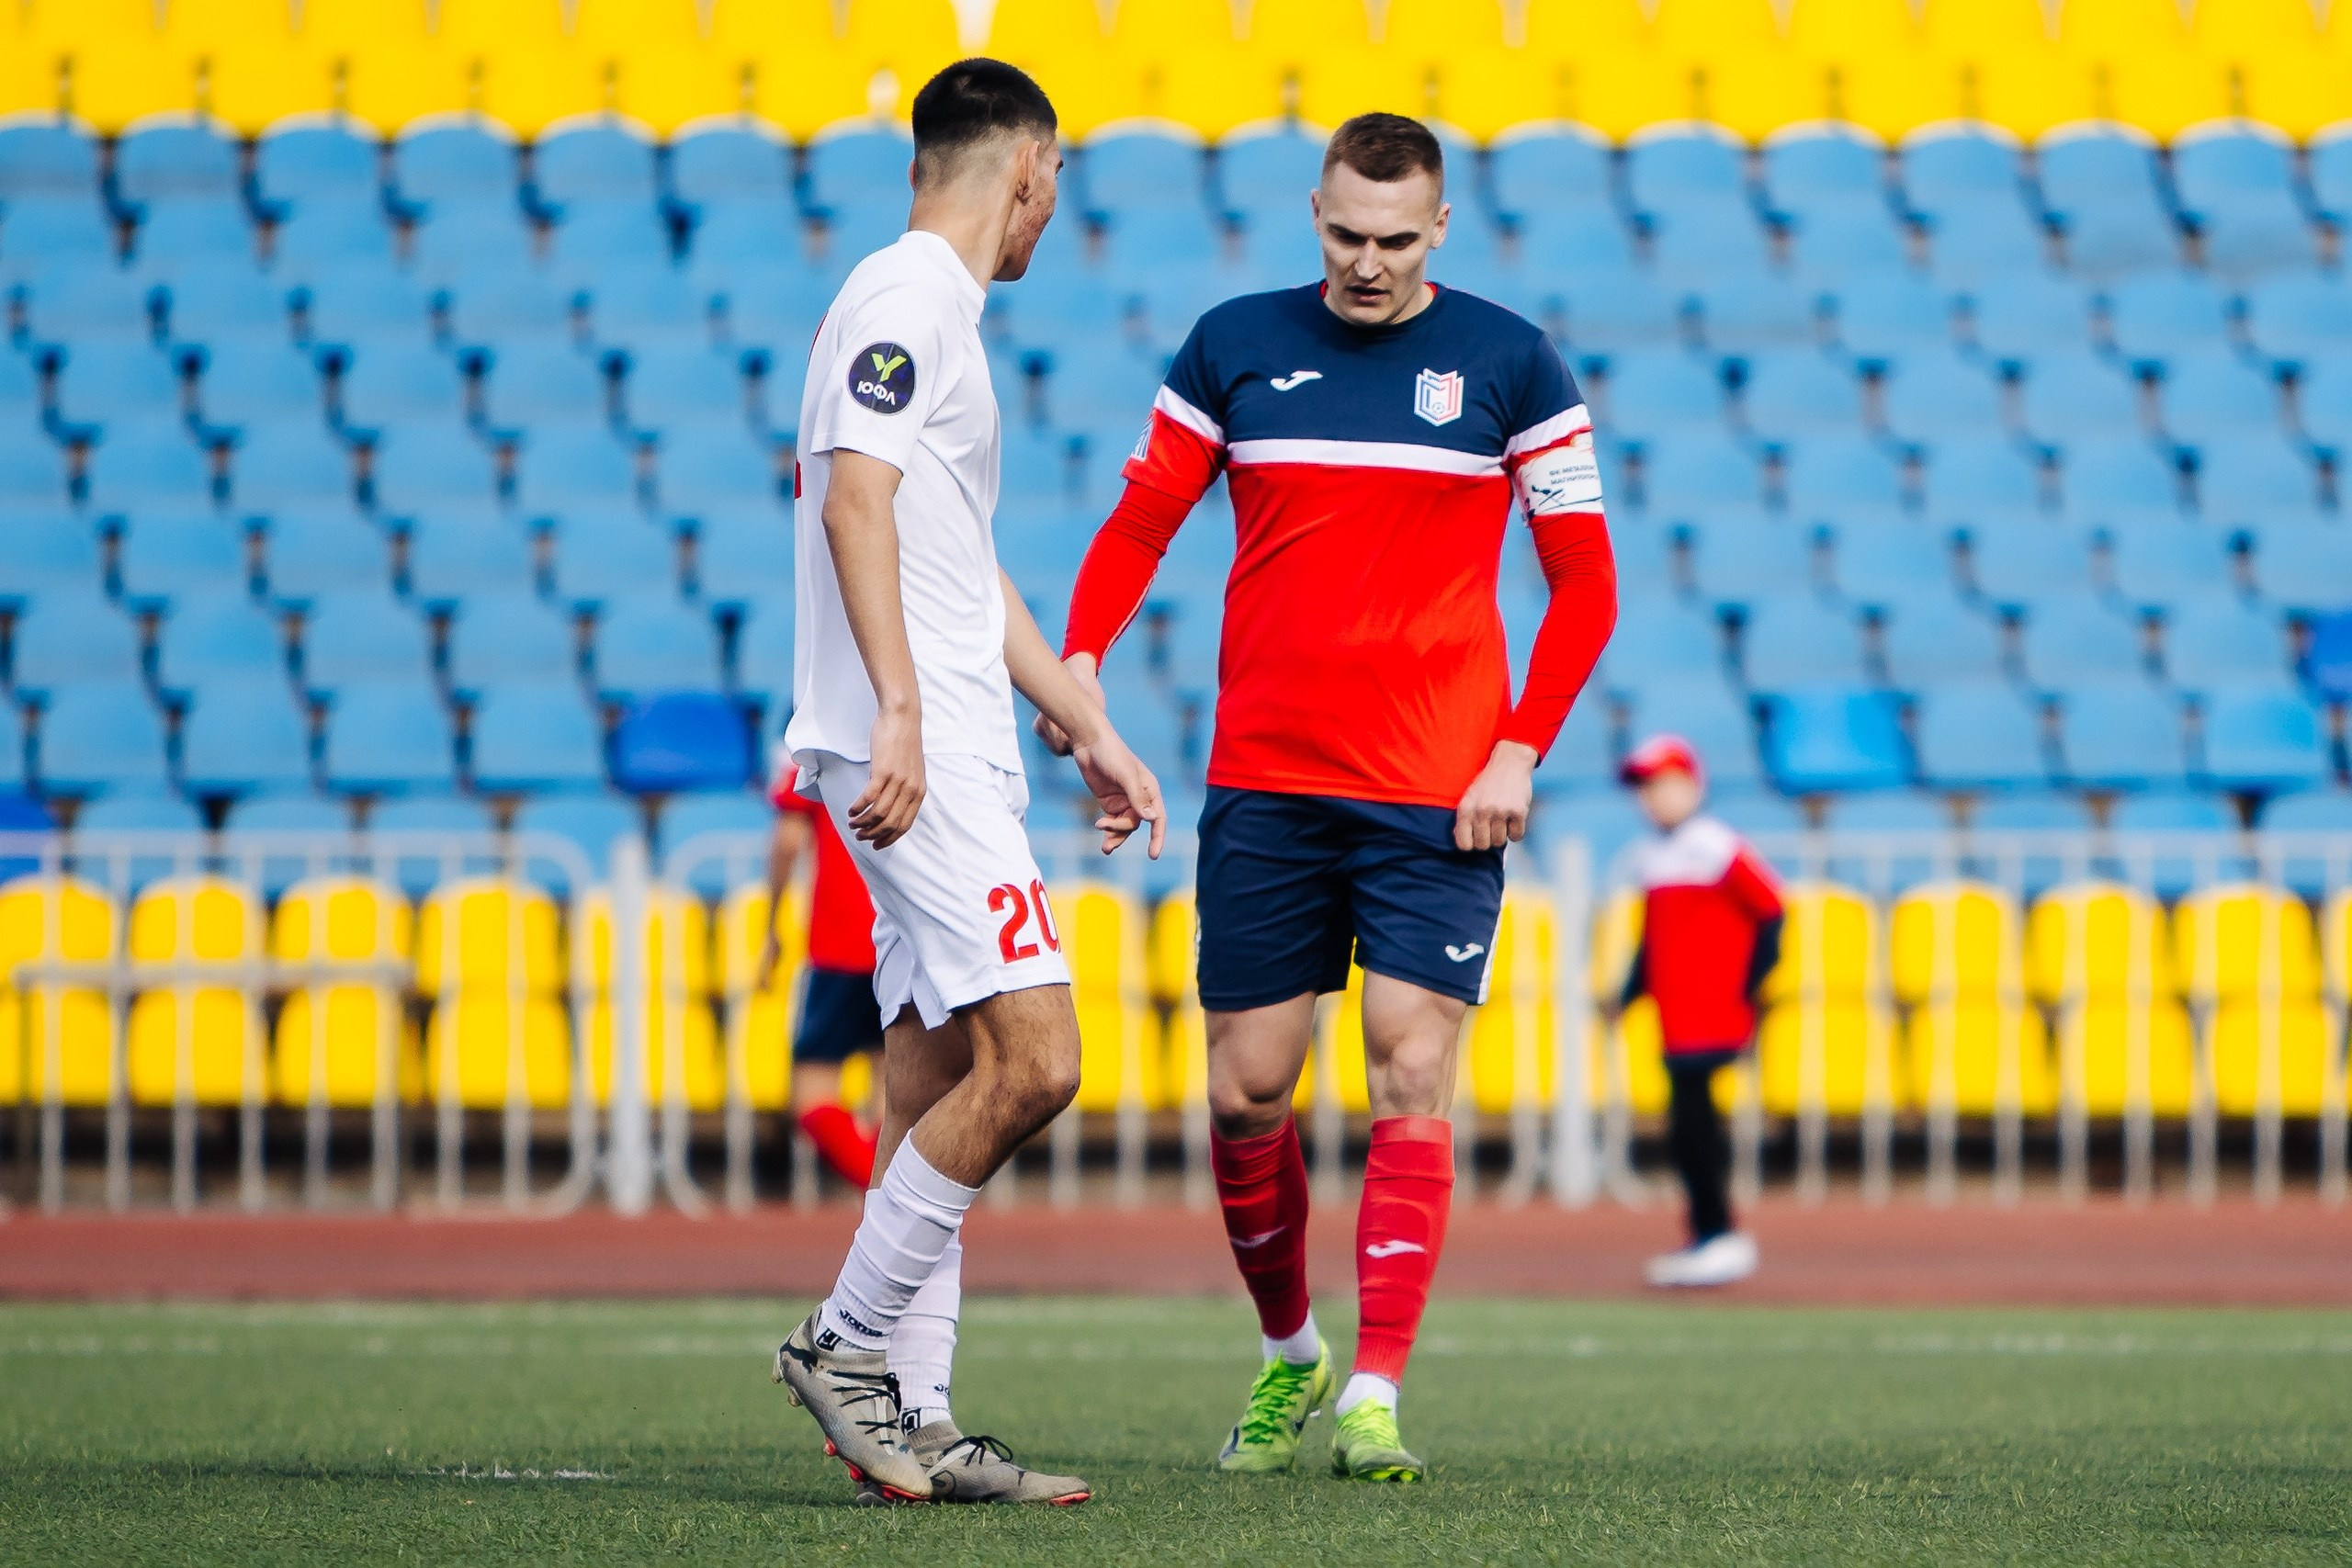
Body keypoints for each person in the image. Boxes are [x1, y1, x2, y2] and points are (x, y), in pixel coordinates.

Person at [1040, 112, 1617, 1482]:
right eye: (1345, 234)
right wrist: (1077, 667)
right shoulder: (1232, 342)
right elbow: (1139, 519)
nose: (1367, 262)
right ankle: (1291, 1347)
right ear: (1314, 212)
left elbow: (1586, 583)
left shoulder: (1511, 360)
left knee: (1413, 1066)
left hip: (1438, 794)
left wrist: (1520, 747)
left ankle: (1375, 1390)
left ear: (1441, 230)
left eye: (1395, 239)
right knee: (1247, 1092)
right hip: (1268, 783)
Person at [770, 57, 1167, 1507]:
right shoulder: (905, 298)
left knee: (937, 1073)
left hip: (956, 740)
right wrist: (898, 710)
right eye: (1053, 190)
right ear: (1032, 171)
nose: (1048, 216)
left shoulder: (928, 313)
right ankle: (847, 1342)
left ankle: (917, 1418)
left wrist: (1081, 718)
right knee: (1043, 1059)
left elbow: (947, 544)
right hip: (919, 753)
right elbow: (856, 495)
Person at [1613, 733, 1785, 1289]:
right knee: (1687, 1127)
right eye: (1644, 788)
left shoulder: (1715, 845)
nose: (1651, 798)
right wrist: (1629, 992)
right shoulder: (1653, 855)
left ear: (1691, 785)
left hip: (1710, 1013)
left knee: (1696, 1126)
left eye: (1661, 784)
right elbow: (1653, 940)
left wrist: (1746, 988)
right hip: (1676, 1014)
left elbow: (1771, 913)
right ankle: (1708, 1232)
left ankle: (1719, 1234)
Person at [759, 748, 882, 1189]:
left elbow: (789, 840)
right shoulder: (908, 741)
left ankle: (885, 1197)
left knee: (812, 1091)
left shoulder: (814, 748)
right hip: (901, 936)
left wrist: (771, 925)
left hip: (842, 939)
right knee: (893, 1091)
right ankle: (906, 1213)